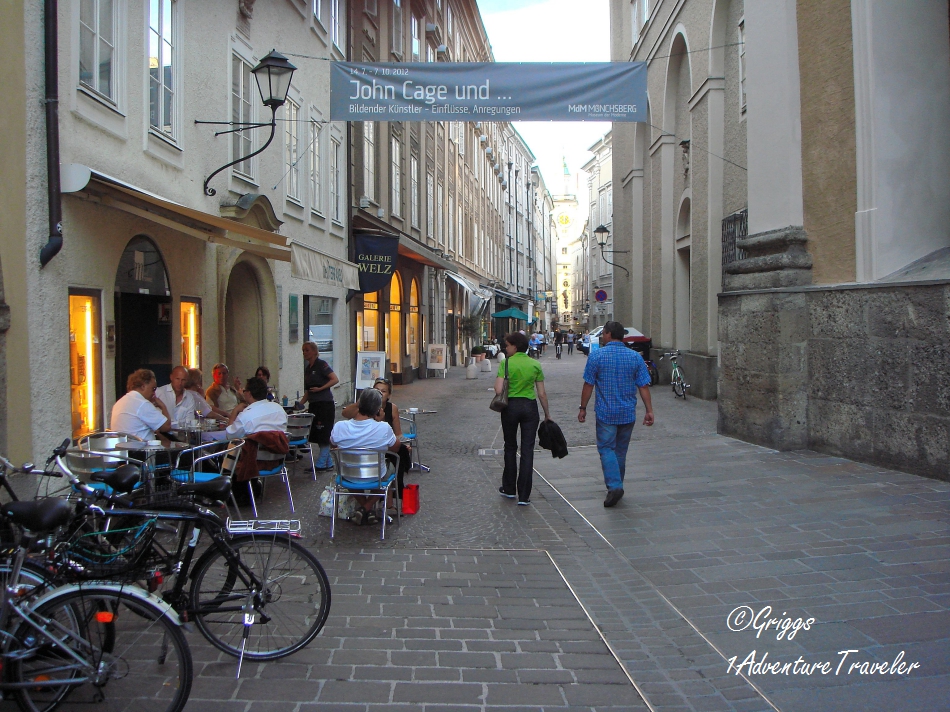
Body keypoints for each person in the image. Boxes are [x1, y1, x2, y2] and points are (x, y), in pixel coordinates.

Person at [578, 321, 654, 508]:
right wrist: (649, 410)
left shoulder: (597, 356)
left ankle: (615, 486)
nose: (602, 336)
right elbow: (643, 385)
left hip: (606, 411)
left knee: (606, 448)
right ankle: (617, 484)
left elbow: (588, 384)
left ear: (610, 334)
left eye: (603, 333)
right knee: (620, 450)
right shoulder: (635, 357)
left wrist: (583, 407)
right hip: (627, 411)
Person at [494, 332, 551, 505]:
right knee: (527, 450)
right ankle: (524, 495)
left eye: (508, 345)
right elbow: (541, 393)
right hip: (529, 407)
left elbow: (498, 390)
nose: (506, 347)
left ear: (515, 346)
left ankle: (510, 488)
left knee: (510, 447)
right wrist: (547, 414)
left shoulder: (506, 363)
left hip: (510, 407)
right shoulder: (535, 364)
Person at [330, 388, 401, 526]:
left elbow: (332, 444)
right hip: (376, 476)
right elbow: (396, 447)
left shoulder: (339, 426)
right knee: (390, 468)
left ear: (358, 405)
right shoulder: (383, 428)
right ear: (378, 409)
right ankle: (367, 508)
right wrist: (380, 422)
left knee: (347, 473)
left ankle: (364, 509)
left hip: (348, 475)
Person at [341, 377, 411, 496]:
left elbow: (398, 434)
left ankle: (388, 497)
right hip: (369, 452)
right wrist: (362, 402)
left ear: (388, 395)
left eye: (383, 391)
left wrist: (402, 442)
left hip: (381, 448)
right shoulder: (362, 410)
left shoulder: (391, 409)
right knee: (391, 463)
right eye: (376, 390)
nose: (379, 394)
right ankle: (379, 501)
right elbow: (345, 414)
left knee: (399, 454)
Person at [297, 341, 339, 471]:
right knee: (319, 435)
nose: (305, 353)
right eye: (303, 350)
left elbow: (334, 379)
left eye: (307, 350)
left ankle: (321, 463)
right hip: (314, 404)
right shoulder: (308, 369)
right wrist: (300, 403)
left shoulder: (321, 365)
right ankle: (328, 463)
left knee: (324, 433)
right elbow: (308, 390)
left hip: (324, 404)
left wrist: (321, 388)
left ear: (315, 351)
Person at [111, 369, 172, 441]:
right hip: (140, 449)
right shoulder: (142, 404)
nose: (154, 393)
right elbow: (166, 427)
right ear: (143, 386)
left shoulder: (119, 402)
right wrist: (163, 406)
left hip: (122, 448)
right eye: (153, 389)